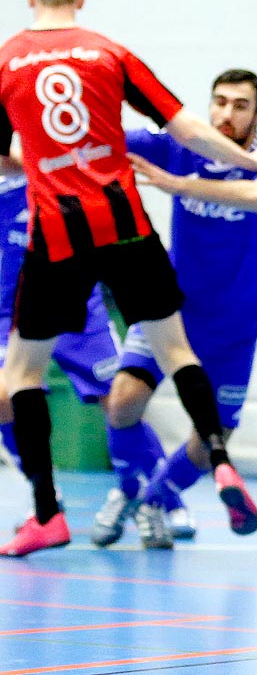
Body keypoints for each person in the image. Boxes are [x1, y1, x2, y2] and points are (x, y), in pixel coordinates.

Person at [0, 0, 257, 557]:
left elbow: (13, 155)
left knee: (22, 374)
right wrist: (253, 158)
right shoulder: (110, 53)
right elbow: (188, 129)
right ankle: (217, 454)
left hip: (59, 228)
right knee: (174, 350)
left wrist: (54, 166)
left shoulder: (8, 61)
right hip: (124, 222)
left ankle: (47, 513)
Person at [91, 68, 257, 549]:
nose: (226, 113)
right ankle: (130, 489)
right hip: (171, 311)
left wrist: (175, 185)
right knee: (121, 403)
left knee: (210, 442)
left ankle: (155, 499)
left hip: (235, 323)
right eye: (219, 102)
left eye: (239, 105)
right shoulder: (181, 145)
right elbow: (107, 137)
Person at [0, 143, 122, 492]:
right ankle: (46, 503)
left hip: (75, 299)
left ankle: (156, 499)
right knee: (2, 398)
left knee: (120, 401)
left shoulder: (53, 123)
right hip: (14, 309)